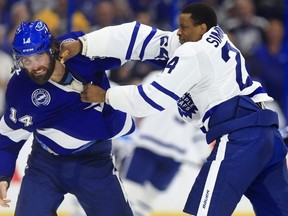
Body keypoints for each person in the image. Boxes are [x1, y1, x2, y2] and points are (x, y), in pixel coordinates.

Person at [59, 2, 288, 216]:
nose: (178, 32)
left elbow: (151, 99)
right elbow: (138, 38)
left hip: (241, 139)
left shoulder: (194, 52)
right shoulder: (214, 39)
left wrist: (106, 95)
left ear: (201, 29)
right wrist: (85, 44)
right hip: (268, 136)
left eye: (183, 27)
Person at [0, 19, 135, 216]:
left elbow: (128, 47)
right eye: (26, 60)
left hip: (94, 161)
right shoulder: (20, 88)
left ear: (52, 49)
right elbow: (8, 136)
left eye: (38, 56)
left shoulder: (81, 50)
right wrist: (3, 174)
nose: (34, 66)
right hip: (44, 165)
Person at [116, 70, 209, 216]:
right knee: (130, 195)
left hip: (173, 155)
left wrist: (205, 156)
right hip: (148, 147)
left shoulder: (204, 92)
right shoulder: (158, 76)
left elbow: (200, 130)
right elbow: (138, 103)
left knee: (146, 202)